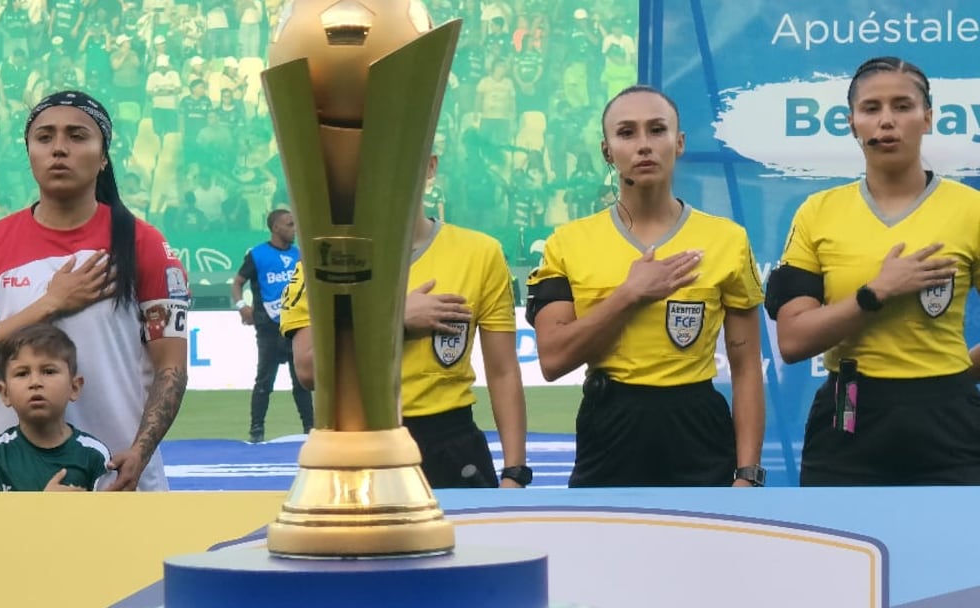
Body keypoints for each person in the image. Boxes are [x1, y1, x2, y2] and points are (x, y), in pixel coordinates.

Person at [0, 90, 189, 492]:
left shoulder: (143, 243)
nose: (59, 148)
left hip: (119, 478)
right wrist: (51, 303)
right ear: (29, 152)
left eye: (77, 136)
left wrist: (140, 452)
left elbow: (172, 367)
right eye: (44, 137)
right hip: (18, 487)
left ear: (103, 156)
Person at [526, 85, 765, 488]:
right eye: (626, 133)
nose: (644, 145)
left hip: (697, 427)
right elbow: (553, 360)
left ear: (679, 142)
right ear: (607, 151)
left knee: (704, 533)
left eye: (657, 130)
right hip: (610, 423)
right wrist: (629, 295)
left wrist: (748, 473)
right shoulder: (568, 242)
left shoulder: (727, 240)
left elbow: (746, 368)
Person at [766, 56, 980, 486]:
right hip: (848, 414)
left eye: (902, 106)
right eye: (871, 108)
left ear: (928, 118)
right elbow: (792, 341)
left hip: (949, 422)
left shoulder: (970, 209)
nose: (887, 121)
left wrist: (953, 377)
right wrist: (875, 294)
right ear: (851, 123)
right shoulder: (818, 212)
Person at [281, 153, 530, 489]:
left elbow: (503, 371)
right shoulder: (324, 259)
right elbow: (308, 370)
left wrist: (515, 472)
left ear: (430, 165)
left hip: (451, 444)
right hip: (357, 442)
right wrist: (396, 322)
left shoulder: (481, 253)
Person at [0, 323, 114, 492]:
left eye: (48, 371)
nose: (35, 382)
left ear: (74, 387)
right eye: (22, 373)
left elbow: (112, 510)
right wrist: (41, 504)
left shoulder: (94, 456)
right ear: (4, 393)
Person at [231, 209, 312, 443]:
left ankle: (310, 428)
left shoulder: (299, 255)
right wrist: (242, 306)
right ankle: (256, 431)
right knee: (264, 381)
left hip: (296, 327)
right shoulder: (258, 255)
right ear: (275, 228)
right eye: (289, 224)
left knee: (302, 381)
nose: (294, 229)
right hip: (268, 328)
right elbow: (237, 283)